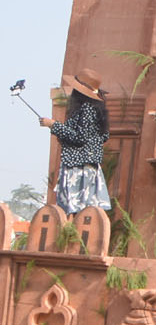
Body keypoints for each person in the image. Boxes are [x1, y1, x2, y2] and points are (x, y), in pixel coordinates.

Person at [41, 68, 111, 215]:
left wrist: (53, 124)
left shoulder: (86, 109)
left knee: (75, 212)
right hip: (87, 167)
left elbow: (80, 138)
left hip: (78, 168)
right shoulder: (97, 109)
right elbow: (103, 137)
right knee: (86, 212)